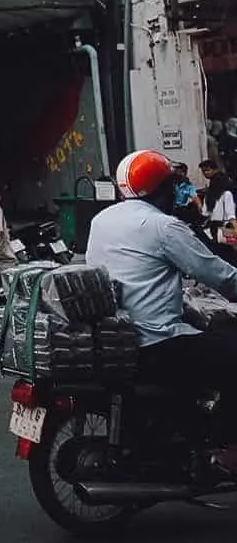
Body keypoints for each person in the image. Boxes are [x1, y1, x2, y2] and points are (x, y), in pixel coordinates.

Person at [86, 150, 237, 474]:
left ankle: (192, 427)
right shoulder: (163, 226)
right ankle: (227, 450)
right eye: (172, 186)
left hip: (120, 335)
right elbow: (217, 274)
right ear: (159, 189)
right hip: (159, 339)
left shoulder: (103, 220)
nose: (176, 194)